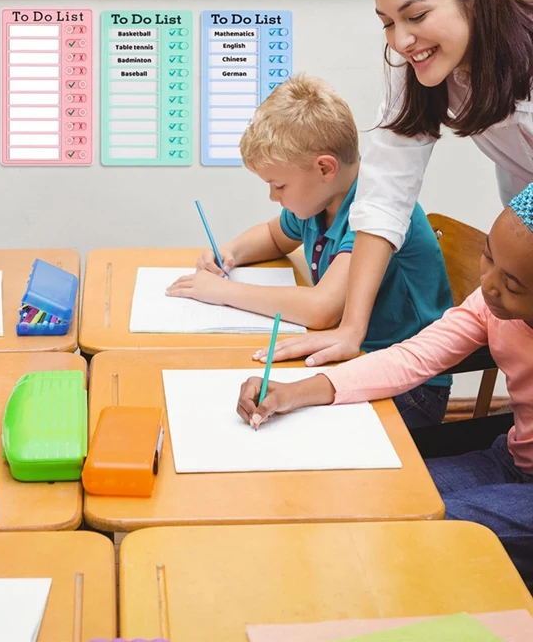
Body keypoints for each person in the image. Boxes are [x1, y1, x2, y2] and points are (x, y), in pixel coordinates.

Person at [237, 182, 533, 589]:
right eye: (487, 258)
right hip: (512, 460)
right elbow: (413, 357)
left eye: (513, 284)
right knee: (374, 496)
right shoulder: (489, 305)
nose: (489, 285)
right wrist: (295, 391)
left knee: (417, 527)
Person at [270, 0, 533, 368]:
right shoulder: (416, 70)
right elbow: (384, 195)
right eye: (387, 22)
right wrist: (352, 329)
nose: (402, 40)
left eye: (415, 15)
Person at [168, 75, 453, 427]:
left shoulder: (375, 210)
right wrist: (231, 252)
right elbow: (274, 236)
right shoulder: (320, 201)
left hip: (411, 387)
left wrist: (224, 292)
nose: (274, 197)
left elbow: (322, 310)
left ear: (324, 168)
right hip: (351, 364)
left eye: (279, 185)